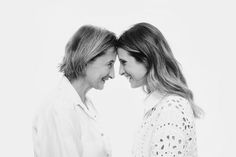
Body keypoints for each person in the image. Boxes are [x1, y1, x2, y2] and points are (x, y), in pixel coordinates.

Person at [117, 22, 204, 157]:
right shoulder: (159, 106)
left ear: (146, 59)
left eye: (124, 62)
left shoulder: (171, 108)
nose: (120, 71)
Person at [32, 25, 117, 157]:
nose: (112, 74)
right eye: (109, 64)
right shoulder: (59, 108)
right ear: (87, 59)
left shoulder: (85, 105)